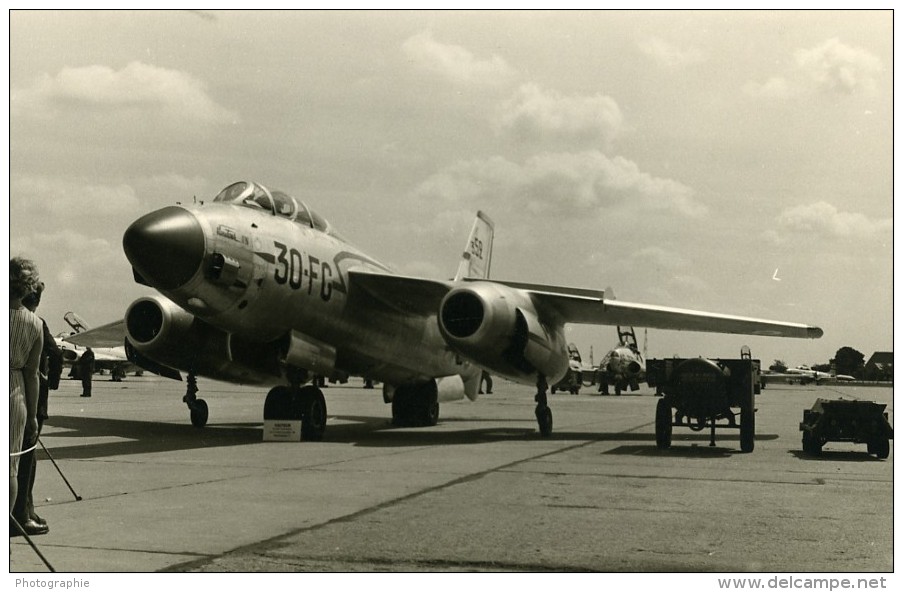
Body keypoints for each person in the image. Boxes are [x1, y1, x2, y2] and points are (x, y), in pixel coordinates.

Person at [11, 282, 61, 535]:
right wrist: (50, 382)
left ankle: (25, 510)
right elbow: (55, 353)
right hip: (27, 399)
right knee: (24, 461)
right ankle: (20, 514)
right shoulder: (35, 323)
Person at [9, 257, 43, 533]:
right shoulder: (35, 324)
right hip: (14, 393)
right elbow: (32, 375)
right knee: (10, 467)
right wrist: (32, 416)